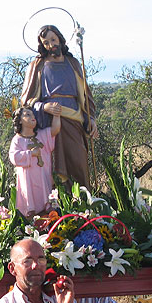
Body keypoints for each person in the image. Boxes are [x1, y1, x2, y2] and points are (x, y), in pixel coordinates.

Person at [21, 24, 97, 188]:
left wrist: (90, 118)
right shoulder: (38, 66)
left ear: (60, 39)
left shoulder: (73, 63)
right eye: (46, 42)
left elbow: (85, 93)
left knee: (79, 164)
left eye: (53, 39)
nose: (51, 45)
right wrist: (43, 107)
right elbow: (26, 101)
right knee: (54, 172)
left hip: (74, 120)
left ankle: (86, 207)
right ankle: (59, 211)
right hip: (51, 124)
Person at [9, 106, 61, 218]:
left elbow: (55, 129)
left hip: (43, 177)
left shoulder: (41, 135)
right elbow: (14, 157)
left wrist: (57, 115)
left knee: (47, 204)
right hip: (28, 181)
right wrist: (30, 153)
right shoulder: (17, 140)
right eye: (27, 115)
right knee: (30, 207)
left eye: (33, 115)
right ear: (20, 121)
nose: (32, 117)